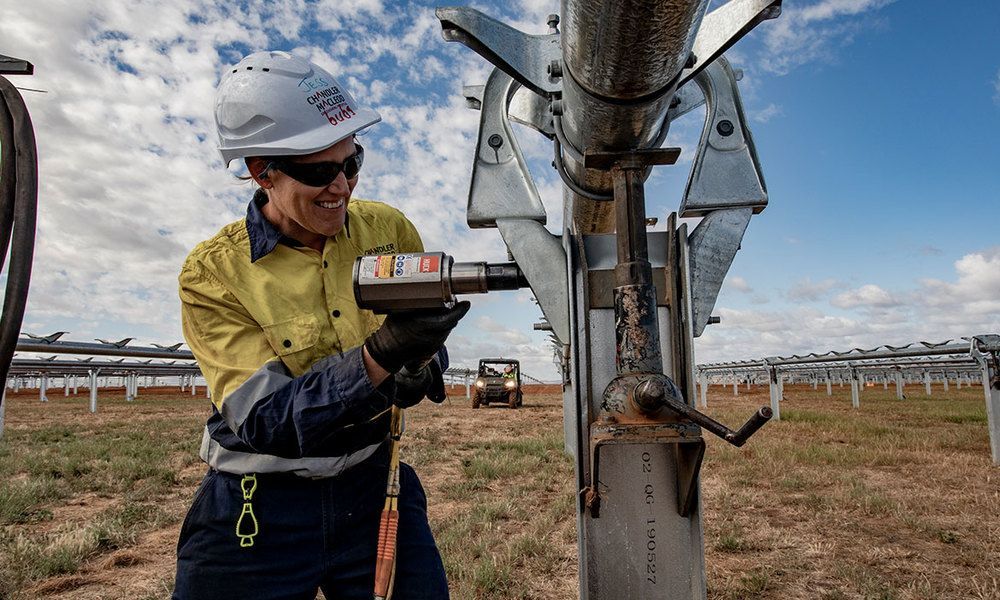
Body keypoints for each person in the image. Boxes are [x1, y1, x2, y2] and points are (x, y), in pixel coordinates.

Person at [173, 50, 468, 600]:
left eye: (351, 163)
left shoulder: (388, 228)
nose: (341, 186)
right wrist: (381, 356)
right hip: (258, 507)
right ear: (263, 171)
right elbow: (266, 419)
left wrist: (422, 363)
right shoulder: (213, 274)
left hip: (374, 481)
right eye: (318, 171)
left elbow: (418, 335)